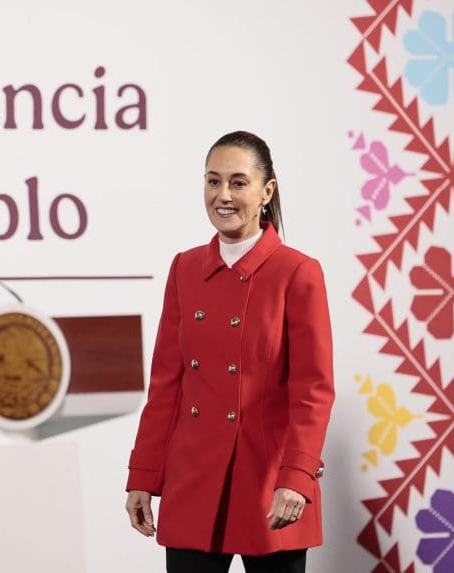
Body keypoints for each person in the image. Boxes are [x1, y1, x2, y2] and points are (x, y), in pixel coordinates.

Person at [124, 131, 335, 573]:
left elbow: (312, 391)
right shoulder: (184, 268)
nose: (223, 195)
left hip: (269, 481)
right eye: (213, 181)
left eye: (238, 183)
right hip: (193, 478)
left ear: (266, 191)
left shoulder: (297, 271)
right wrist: (143, 474)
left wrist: (297, 477)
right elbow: (166, 385)